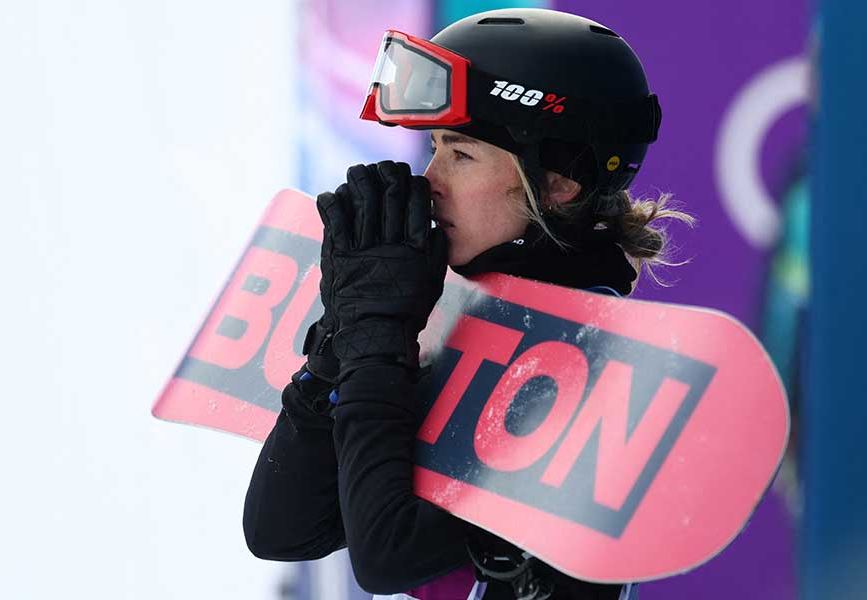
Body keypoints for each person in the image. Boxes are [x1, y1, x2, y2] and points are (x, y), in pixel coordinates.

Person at [243, 8, 692, 600]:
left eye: (461, 154)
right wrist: (342, 334)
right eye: (433, 147)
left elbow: (387, 555)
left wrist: (378, 334)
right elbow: (283, 530)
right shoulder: (465, 322)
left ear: (559, 183)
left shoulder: (593, 354)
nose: (428, 178)